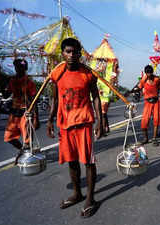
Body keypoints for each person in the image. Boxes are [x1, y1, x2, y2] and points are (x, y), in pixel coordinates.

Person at [46, 38, 103, 218]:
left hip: (84, 123)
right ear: (62, 53)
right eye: (68, 52)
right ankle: (78, 193)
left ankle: (91, 199)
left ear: (80, 54)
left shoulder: (88, 74)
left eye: (75, 52)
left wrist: (100, 121)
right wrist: (49, 120)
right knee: (72, 161)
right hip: (65, 124)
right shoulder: (57, 74)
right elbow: (55, 99)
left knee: (88, 161)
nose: (71, 55)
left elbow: (96, 98)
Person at [4, 59, 39, 165]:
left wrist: (36, 118)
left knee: (27, 140)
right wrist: (5, 90)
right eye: (17, 67)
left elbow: (34, 100)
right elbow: (7, 93)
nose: (18, 69)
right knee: (8, 137)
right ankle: (23, 150)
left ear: (25, 69)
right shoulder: (12, 81)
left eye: (21, 67)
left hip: (26, 113)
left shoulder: (29, 82)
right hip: (14, 113)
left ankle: (28, 157)